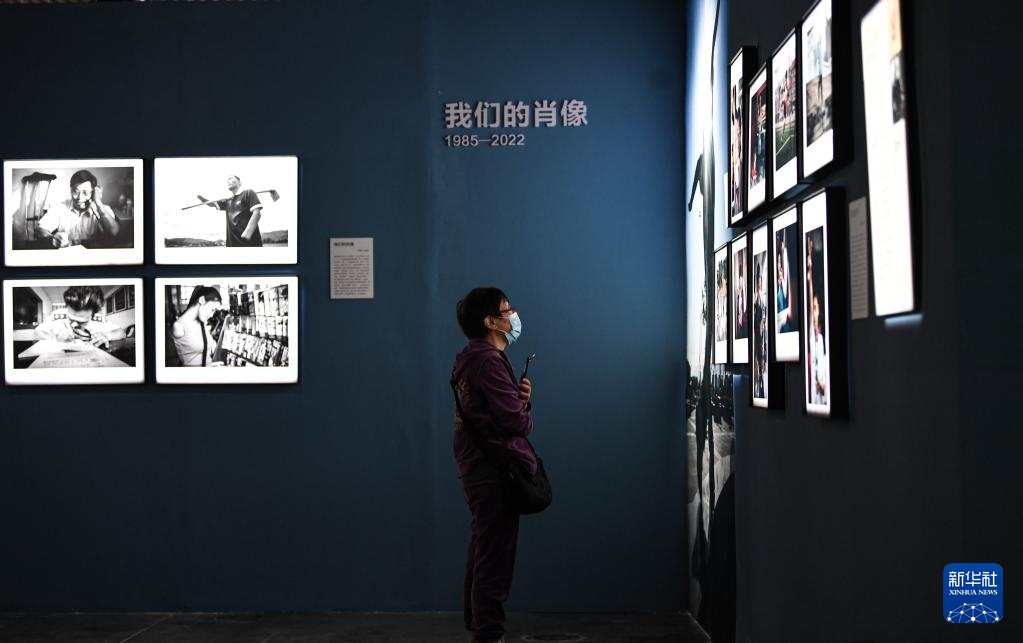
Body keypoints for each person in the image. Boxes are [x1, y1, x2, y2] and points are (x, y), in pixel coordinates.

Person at [452, 287, 533, 643]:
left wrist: (518, 401)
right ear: (491, 322)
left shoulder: (469, 357)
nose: (513, 315)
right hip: (494, 471)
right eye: (507, 310)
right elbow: (515, 423)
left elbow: (489, 411)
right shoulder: (488, 360)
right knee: (495, 558)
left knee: (483, 550)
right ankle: (487, 634)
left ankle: (480, 627)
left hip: (476, 466)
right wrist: (523, 411)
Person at [36, 170, 120, 248]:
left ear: (93, 193)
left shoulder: (101, 208)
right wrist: (51, 238)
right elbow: (39, 230)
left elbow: (114, 232)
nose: (80, 198)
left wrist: (98, 203)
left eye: (85, 193)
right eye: (75, 192)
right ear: (70, 190)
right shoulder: (59, 207)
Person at [34, 286, 125, 348]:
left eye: (81, 321)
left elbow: (121, 332)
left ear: (93, 314)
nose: (74, 324)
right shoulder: (57, 315)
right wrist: (55, 337)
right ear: (67, 307)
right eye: (71, 319)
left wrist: (107, 335)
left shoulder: (99, 319)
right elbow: (37, 333)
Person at [200, 175, 264, 247]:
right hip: (231, 243)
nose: (228, 181)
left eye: (230, 178)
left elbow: (257, 213)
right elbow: (212, 204)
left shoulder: (248, 193)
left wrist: (248, 232)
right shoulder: (228, 201)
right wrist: (202, 199)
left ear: (239, 182)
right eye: (227, 180)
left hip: (249, 242)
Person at [171, 286, 223, 366]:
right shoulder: (179, 326)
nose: (212, 315)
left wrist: (211, 365)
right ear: (202, 300)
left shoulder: (202, 322)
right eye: (212, 310)